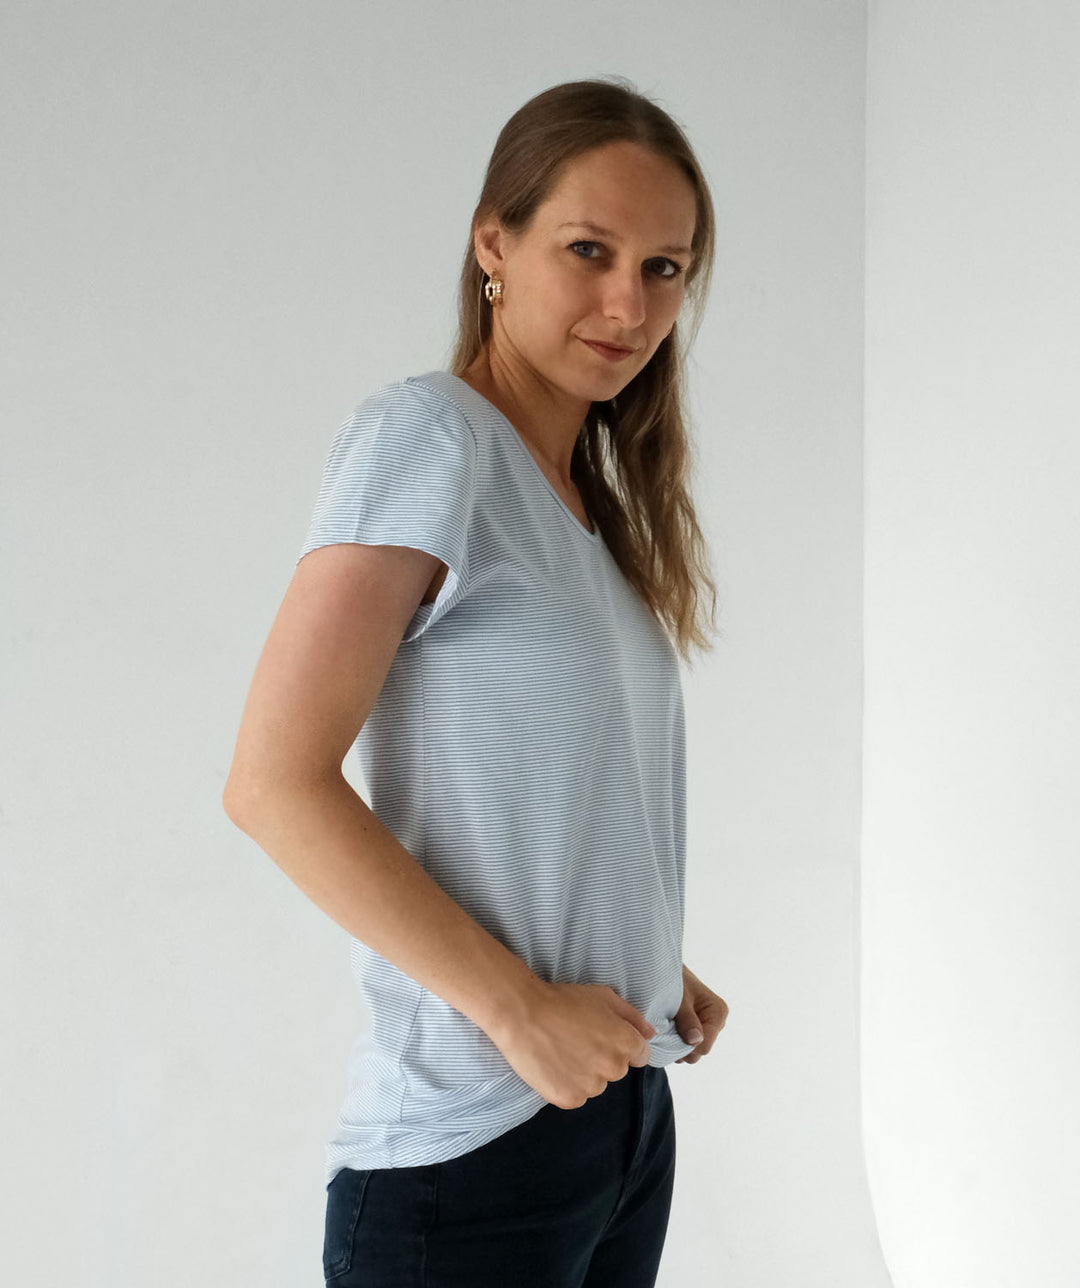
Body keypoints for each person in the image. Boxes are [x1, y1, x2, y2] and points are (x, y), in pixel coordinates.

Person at [223, 75, 729, 1288]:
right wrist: (516, 1005)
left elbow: (544, 787)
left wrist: (640, 955)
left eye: (664, 268)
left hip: (616, 1120)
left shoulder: (583, 512)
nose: (629, 304)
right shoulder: (432, 437)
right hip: (470, 1142)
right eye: (589, 250)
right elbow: (273, 784)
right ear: (493, 246)